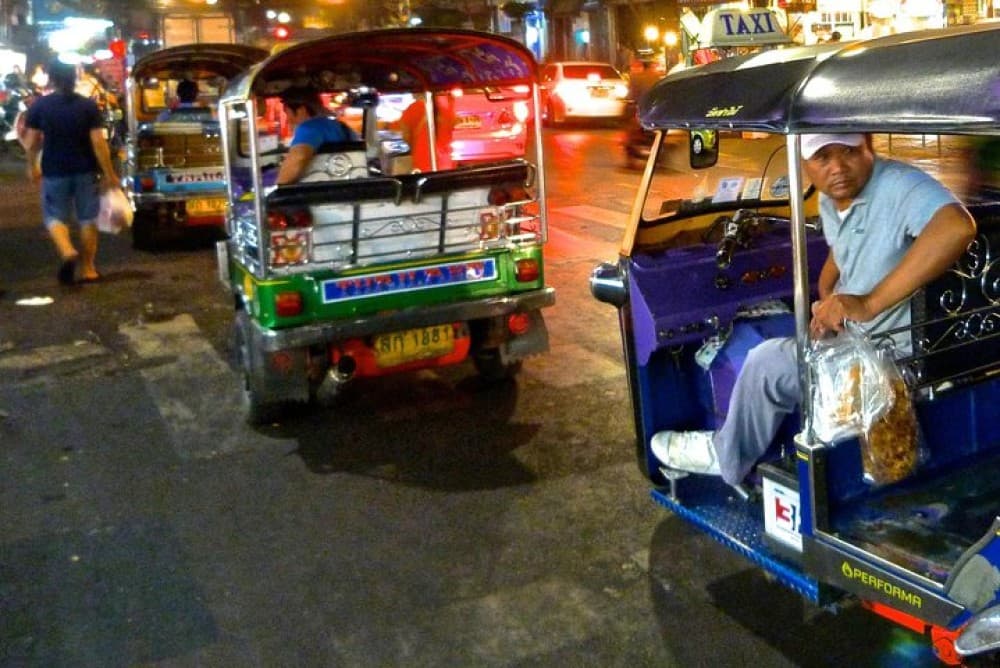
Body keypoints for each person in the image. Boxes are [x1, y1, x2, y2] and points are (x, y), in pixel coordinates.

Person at [651, 133, 976, 487]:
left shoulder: (897, 185)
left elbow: (956, 227)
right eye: (822, 157)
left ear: (869, 147)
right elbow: (845, 244)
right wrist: (826, 290)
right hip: (855, 340)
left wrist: (869, 303)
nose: (837, 167)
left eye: (849, 151)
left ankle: (727, 457)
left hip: (892, 363)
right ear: (805, 165)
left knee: (765, 363)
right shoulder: (831, 198)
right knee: (789, 337)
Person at [23, 59, 120, 285]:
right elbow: (98, 143)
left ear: (51, 79)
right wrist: (110, 173)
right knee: (88, 219)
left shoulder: (40, 106)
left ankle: (67, 251)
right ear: (74, 78)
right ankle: (88, 269)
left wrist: (31, 166)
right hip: (85, 169)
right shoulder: (87, 106)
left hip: (54, 170)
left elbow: (31, 142)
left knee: (54, 216)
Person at [275, 85, 359, 185]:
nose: (288, 119)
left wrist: (279, 186)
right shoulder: (342, 127)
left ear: (301, 110)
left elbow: (299, 157)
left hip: (322, 190)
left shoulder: (309, 128)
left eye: (287, 112)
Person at [398, 92, 456, 172]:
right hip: (445, 162)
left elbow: (406, 137)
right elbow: (451, 135)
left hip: (421, 161)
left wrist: (414, 147)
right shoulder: (444, 110)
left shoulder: (411, 110)